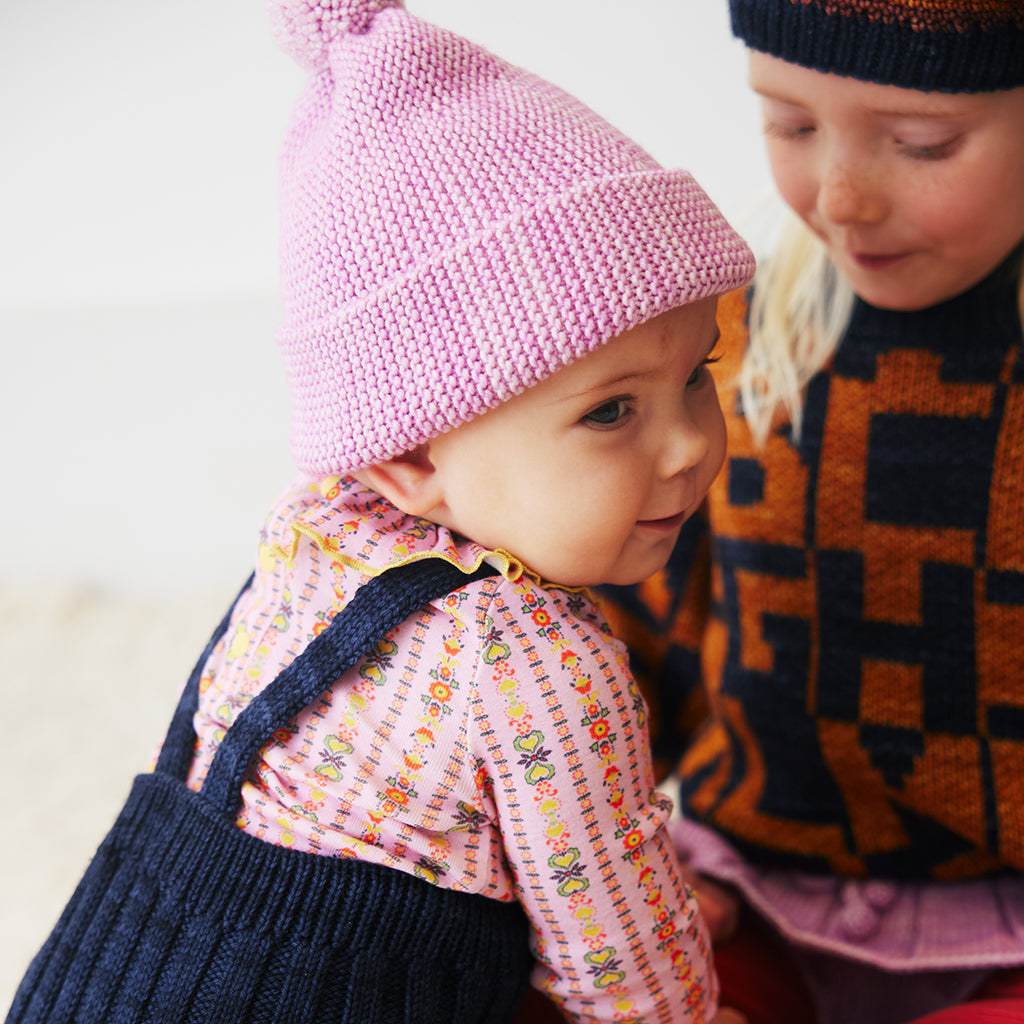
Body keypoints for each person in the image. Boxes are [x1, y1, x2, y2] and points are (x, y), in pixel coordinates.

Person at [4, 1, 756, 1022]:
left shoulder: (311, 532)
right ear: (407, 458)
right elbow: (625, 973)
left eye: (698, 374)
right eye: (611, 411)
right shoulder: (546, 667)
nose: (686, 447)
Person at [597, 2, 1024, 1023]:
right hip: (752, 895)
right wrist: (599, 864)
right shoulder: (727, 343)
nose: (838, 198)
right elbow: (629, 618)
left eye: (923, 144)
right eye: (790, 125)